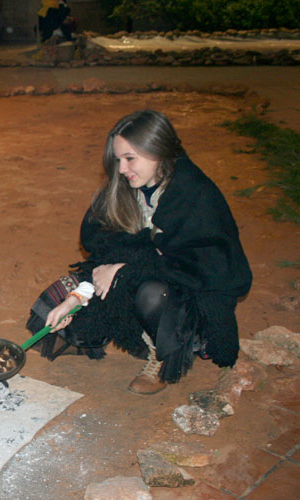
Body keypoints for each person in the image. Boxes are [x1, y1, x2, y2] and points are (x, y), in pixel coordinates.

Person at [26, 110, 252, 395]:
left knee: (151, 293)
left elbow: (206, 266)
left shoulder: (195, 193)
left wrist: (124, 268)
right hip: (143, 276)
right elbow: (103, 260)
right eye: (118, 160)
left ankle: (164, 353)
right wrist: (72, 301)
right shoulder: (124, 190)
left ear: (158, 150)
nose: (121, 169)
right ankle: (140, 330)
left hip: (191, 296)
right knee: (57, 309)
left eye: (130, 158)